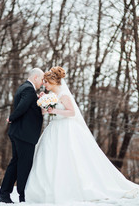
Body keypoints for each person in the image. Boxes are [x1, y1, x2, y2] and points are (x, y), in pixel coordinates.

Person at [25, 66, 139, 204]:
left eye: (47, 82)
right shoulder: (51, 96)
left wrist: (55, 110)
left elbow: (71, 113)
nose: (44, 84)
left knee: (68, 157)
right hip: (53, 128)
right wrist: (45, 105)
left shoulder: (63, 95)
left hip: (65, 128)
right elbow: (46, 112)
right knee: (48, 156)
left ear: (54, 82)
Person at [0, 68, 44, 203]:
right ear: (35, 77)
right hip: (24, 135)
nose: (42, 83)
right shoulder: (29, 90)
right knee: (24, 165)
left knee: (16, 163)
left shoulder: (23, 87)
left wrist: (38, 101)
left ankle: (4, 194)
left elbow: (28, 106)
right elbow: (23, 106)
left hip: (18, 133)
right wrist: (11, 117)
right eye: (41, 79)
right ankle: (23, 196)